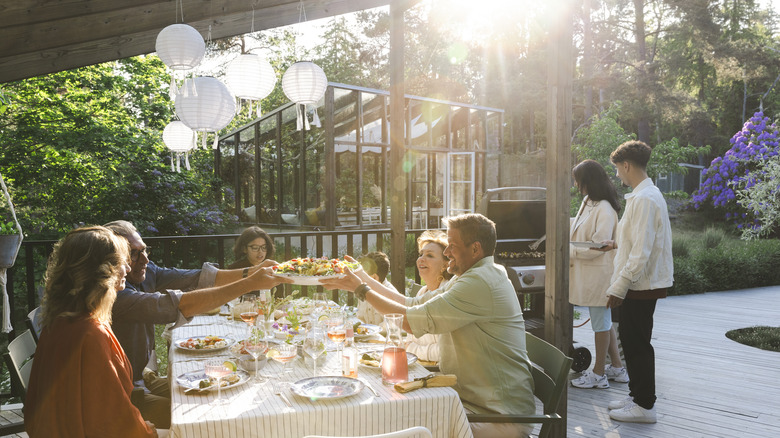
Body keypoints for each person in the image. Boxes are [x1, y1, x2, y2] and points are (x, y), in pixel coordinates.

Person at [322, 214, 535, 438]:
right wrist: (362, 278)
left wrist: (361, 289)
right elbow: (412, 304)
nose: (446, 251)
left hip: (497, 415)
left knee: (399, 426)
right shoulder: (468, 276)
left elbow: (410, 321)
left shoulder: (479, 282)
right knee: (394, 416)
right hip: (468, 401)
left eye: (452, 245)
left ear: (475, 249)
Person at [103, 220, 291, 429]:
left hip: (143, 378)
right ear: (112, 261)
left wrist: (250, 272)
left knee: (227, 383)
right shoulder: (116, 296)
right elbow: (175, 305)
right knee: (207, 415)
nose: (144, 259)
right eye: (133, 254)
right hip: (124, 394)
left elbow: (193, 277)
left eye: (144, 250)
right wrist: (249, 283)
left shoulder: (145, 271)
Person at [25, 226, 159, 437]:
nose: (127, 267)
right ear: (102, 272)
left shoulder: (61, 320)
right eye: (121, 261)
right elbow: (112, 418)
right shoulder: (90, 333)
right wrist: (147, 431)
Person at [598, 140, 674, 424]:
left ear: (626, 165)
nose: (617, 175)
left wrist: (619, 287)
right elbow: (640, 241)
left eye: (617, 169)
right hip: (642, 282)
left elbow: (641, 253)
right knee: (632, 341)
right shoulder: (647, 195)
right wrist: (615, 243)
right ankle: (638, 396)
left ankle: (645, 405)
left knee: (637, 343)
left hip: (640, 284)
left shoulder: (644, 199)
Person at [568, 159, 629, 389]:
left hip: (600, 275)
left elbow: (597, 246)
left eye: (578, 180)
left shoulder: (604, 208)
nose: (576, 185)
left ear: (588, 181)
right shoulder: (588, 201)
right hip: (589, 276)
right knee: (603, 322)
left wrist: (569, 251)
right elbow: (578, 227)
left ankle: (599, 374)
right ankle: (617, 367)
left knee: (601, 324)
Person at [403, 230, 452, 362]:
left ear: (445, 265)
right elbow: (410, 339)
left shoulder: (448, 293)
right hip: (421, 365)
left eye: (430, 255)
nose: (421, 259)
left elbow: (446, 352)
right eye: (421, 254)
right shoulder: (422, 292)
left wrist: (413, 350)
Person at [355, 251, 398, 324]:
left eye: (363, 274)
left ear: (374, 278)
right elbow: (359, 318)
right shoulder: (364, 289)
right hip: (367, 334)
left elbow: (391, 326)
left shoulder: (391, 296)